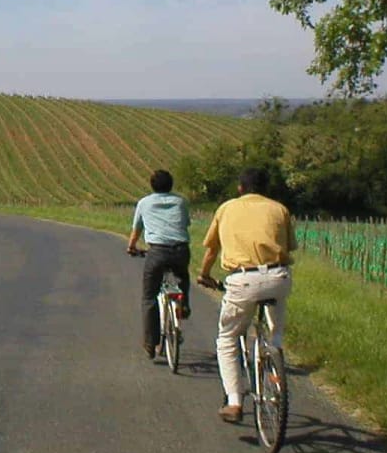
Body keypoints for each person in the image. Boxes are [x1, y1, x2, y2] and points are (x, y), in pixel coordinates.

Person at [197, 166, 297, 422]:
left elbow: (211, 250)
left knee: (228, 338)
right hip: (278, 276)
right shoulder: (279, 209)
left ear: (240, 188)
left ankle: (234, 401)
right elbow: (289, 247)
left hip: (242, 279)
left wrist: (204, 274)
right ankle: (273, 362)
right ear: (267, 188)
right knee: (275, 331)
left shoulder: (226, 208)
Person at [127, 169, 191, 359]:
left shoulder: (144, 203)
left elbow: (137, 229)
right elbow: (186, 224)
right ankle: (183, 305)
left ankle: (150, 342)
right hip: (180, 250)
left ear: (152, 186)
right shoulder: (181, 201)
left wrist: (131, 247)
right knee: (183, 276)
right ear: (171, 184)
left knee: (149, 297)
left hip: (157, 252)